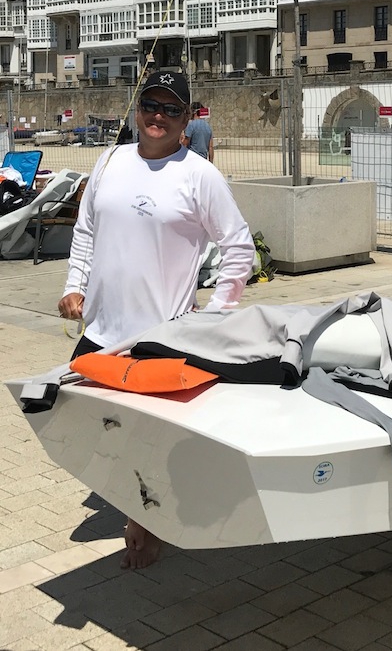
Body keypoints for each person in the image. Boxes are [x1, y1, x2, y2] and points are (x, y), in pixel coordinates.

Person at [58, 70, 255, 570]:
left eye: (171, 109)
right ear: (137, 108)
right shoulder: (108, 160)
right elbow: (85, 230)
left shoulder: (199, 175)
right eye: (151, 105)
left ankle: (145, 525)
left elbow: (239, 249)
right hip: (99, 332)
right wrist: (73, 286)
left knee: (148, 441)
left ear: (187, 119)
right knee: (99, 433)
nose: (158, 117)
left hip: (157, 340)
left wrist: (216, 317)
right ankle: (136, 509)